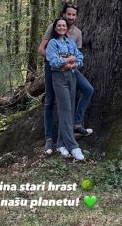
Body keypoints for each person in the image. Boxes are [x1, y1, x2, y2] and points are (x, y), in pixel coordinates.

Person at [38, 2, 94, 155]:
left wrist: (69, 64)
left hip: (70, 69)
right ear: (63, 14)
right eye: (68, 14)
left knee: (88, 89)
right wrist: (56, 61)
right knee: (50, 101)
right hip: (53, 69)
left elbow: (76, 55)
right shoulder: (54, 27)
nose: (70, 17)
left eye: (73, 15)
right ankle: (49, 138)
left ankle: (76, 123)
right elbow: (41, 49)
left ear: (76, 16)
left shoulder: (77, 33)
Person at [45, 18, 85, 160]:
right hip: (59, 77)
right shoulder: (52, 43)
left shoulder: (71, 43)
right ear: (55, 28)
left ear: (67, 28)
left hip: (72, 76)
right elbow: (53, 61)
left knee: (69, 109)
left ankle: (61, 144)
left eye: (64, 25)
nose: (62, 27)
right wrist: (68, 60)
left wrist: (73, 64)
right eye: (59, 25)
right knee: (65, 110)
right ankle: (73, 146)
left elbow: (80, 57)